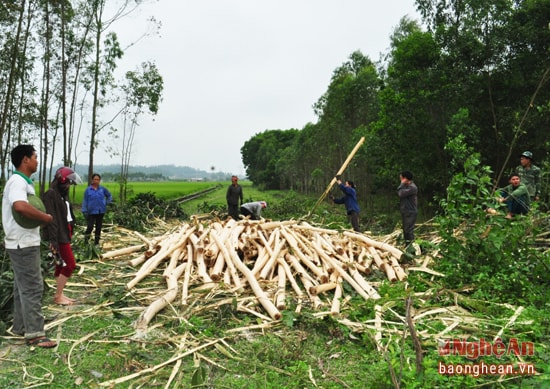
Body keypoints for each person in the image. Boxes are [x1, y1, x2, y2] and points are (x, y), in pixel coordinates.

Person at [2, 144, 56, 348]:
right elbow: (20, 206)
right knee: (32, 287)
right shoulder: (17, 182)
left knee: (21, 287)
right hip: (22, 243)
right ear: (25, 159)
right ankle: (34, 334)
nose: (37, 160)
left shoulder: (22, 181)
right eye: (34, 156)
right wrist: (45, 218)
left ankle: (21, 326)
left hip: (20, 242)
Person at [41, 167, 82, 305]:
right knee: (70, 264)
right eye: (68, 183)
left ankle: (60, 294)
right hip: (58, 236)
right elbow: (51, 219)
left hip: (65, 233)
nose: (69, 186)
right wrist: (54, 241)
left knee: (60, 265)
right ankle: (58, 296)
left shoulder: (61, 195)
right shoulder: (50, 194)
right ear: (61, 180)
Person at [81, 173, 112, 245]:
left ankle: (96, 242)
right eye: (95, 179)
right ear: (92, 180)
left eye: (98, 179)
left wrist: (107, 202)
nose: (96, 181)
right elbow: (85, 200)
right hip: (91, 212)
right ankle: (86, 241)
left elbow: (109, 195)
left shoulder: (102, 189)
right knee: (90, 227)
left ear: (99, 180)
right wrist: (84, 210)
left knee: (98, 227)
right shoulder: (88, 190)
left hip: (100, 211)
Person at [397, 171, 418, 246]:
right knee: (405, 231)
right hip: (405, 211)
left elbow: (400, 194)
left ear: (405, 178)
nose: (401, 180)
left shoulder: (412, 187)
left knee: (409, 230)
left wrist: (401, 184)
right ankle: (408, 246)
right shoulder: (406, 187)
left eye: (401, 178)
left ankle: (412, 248)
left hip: (410, 212)